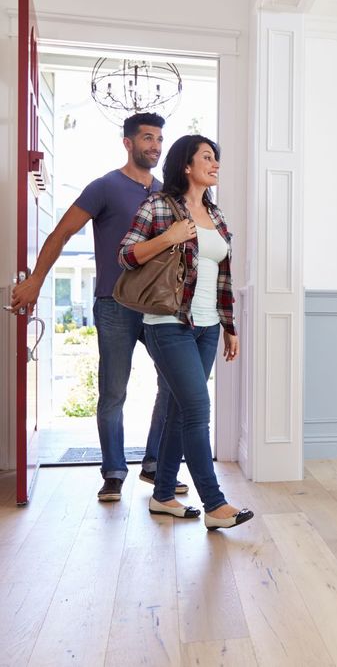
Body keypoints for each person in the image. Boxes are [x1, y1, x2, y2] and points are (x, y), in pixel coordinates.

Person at [11, 112, 188, 502]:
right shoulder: (105, 187)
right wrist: (36, 280)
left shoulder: (165, 194)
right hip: (114, 303)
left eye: (159, 139)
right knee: (113, 391)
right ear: (128, 142)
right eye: (147, 138)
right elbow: (61, 233)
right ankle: (113, 472)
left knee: (174, 385)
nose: (155, 146)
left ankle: (156, 464)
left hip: (159, 307)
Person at [118, 134, 253, 530]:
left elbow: (224, 277)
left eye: (217, 158)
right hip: (168, 324)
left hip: (208, 327)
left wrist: (230, 327)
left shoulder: (217, 214)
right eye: (208, 158)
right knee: (197, 411)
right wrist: (168, 236)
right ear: (186, 166)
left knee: (179, 411)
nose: (215, 165)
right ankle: (214, 504)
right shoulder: (158, 206)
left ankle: (162, 496)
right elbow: (125, 255)